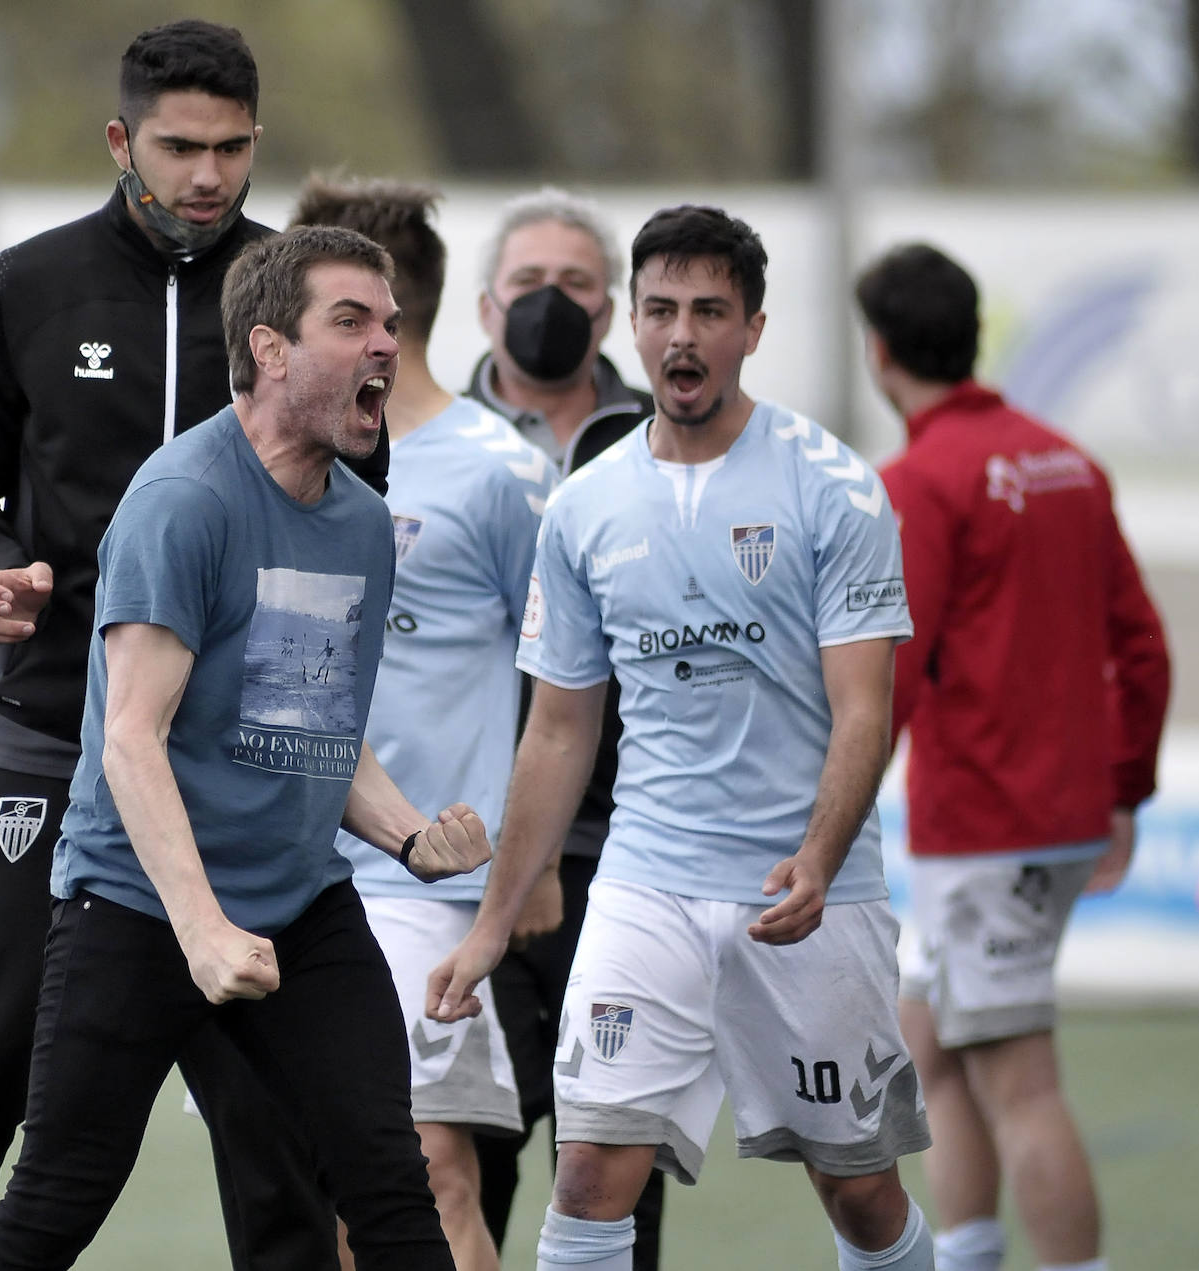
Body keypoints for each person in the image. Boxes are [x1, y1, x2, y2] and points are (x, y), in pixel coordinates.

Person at [0, 20, 386, 1271]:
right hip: (55, 737)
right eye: (179, 147)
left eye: (231, 148)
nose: (208, 175)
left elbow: (356, 493)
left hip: (240, 774)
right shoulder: (29, 283)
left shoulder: (304, 299)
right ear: (124, 141)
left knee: (274, 1125)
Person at [0, 224, 489, 1271]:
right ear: (271, 348)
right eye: (353, 321)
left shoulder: (363, 522)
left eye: (393, 324)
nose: (388, 345)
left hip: (299, 910)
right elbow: (131, 744)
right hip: (140, 904)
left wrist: (413, 836)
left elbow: (307, 721)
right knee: (53, 1205)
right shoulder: (183, 498)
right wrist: (199, 928)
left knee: (391, 1189)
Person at [430, 203, 936, 1271]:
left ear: (754, 327)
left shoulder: (835, 487)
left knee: (859, 1192)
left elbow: (864, 708)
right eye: (661, 308)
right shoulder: (583, 508)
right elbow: (558, 732)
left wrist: (821, 855)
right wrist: (490, 924)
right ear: (634, 324)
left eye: (710, 310)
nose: (682, 334)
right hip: (646, 885)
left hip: (806, 896)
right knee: (589, 1178)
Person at [854, 243, 1172, 1271]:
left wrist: (833, 809)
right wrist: (1126, 788)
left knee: (1018, 1080)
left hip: (990, 826)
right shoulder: (1065, 458)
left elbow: (893, 667)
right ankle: (967, 1254)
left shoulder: (922, 480)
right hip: (1057, 814)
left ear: (880, 351)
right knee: (927, 1047)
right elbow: (1145, 646)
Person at [290, 175, 558, 1271]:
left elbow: (566, 681)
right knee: (320, 1182)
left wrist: (526, 861)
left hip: (426, 883)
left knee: (426, 1167)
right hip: (289, 874)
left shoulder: (505, 475)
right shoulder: (287, 462)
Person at [464, 187, 665, 1269]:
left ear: (614, 307)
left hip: (636, 858)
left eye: (578, 285)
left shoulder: (668, 441)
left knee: (615, 1175)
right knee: (463, 1161)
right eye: (530, 283)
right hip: (459, 855)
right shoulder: (416, 438)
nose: (552, 303)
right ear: (486, 305)